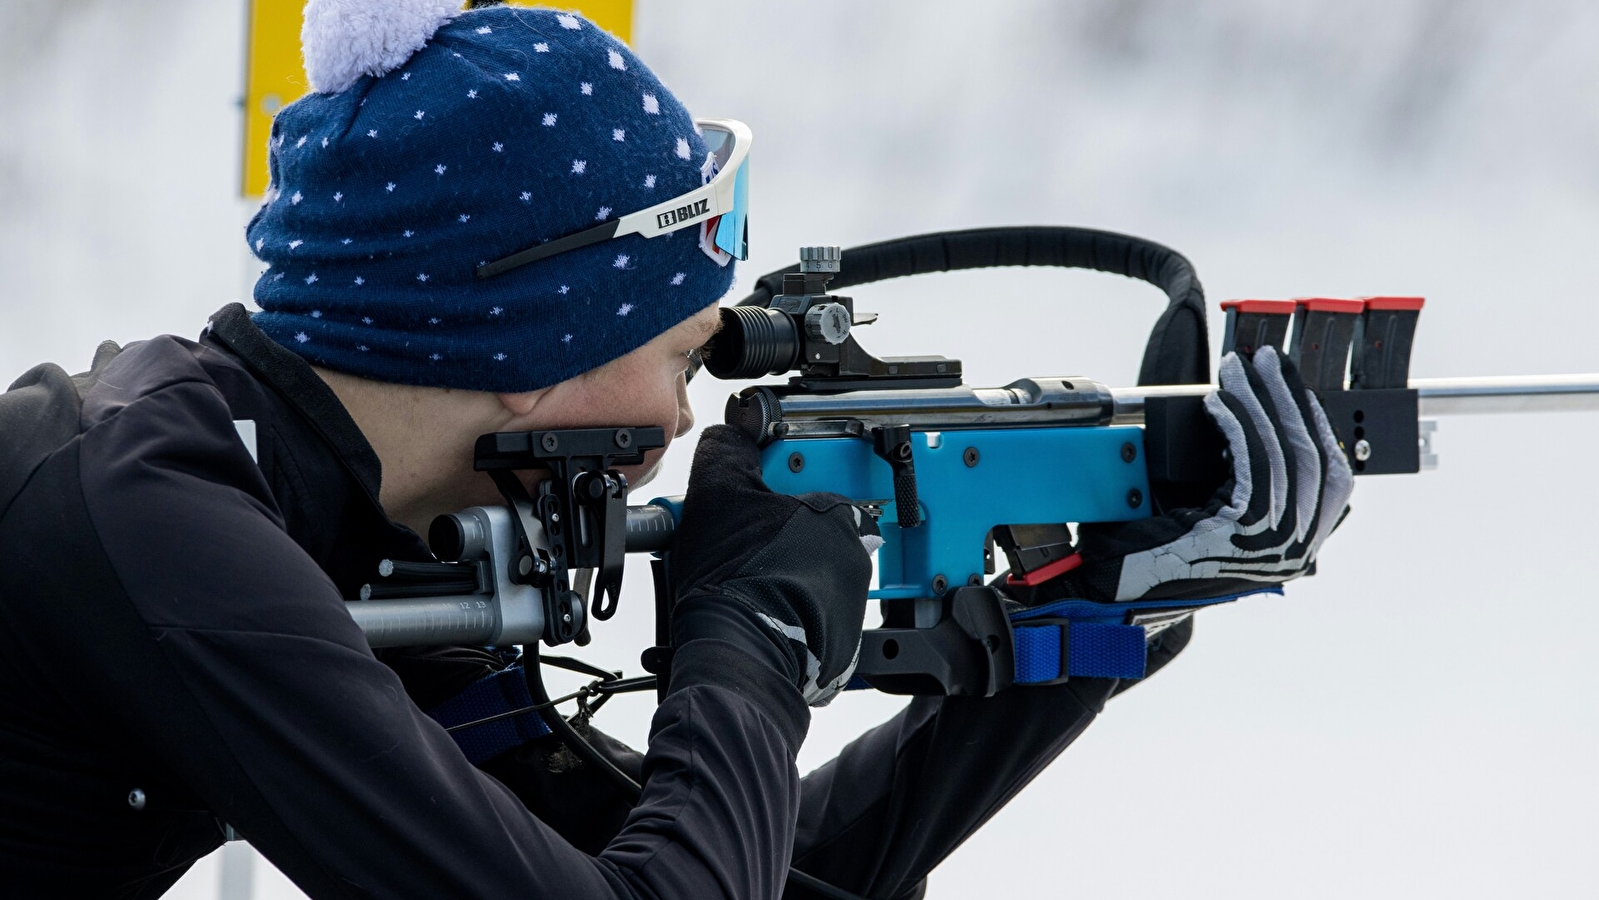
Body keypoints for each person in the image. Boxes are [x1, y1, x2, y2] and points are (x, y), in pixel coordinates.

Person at [0, 4, 1352, 898]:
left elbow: (766, 876)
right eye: (688, 356)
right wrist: (749, 640)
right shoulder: (155, 521)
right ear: (529, 357)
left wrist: (1094, 622)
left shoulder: (342, 513)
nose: (690, 421)